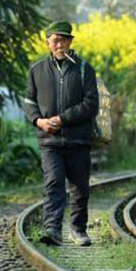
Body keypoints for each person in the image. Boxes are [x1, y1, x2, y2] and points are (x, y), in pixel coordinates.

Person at [24, 21, 99, 246]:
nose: (59, 44)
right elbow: (28, 101)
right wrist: (39, 121)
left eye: (64, 39)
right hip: (49, 140)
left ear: (70, 42)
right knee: (53, 182)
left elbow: (91, 105)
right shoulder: (36, 70)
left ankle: (78, 230)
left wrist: (61, 119)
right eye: (55, 39)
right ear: (47, 42)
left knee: (79, 187)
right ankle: (53, 230)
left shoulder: (85, 69)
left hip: (79, 139)